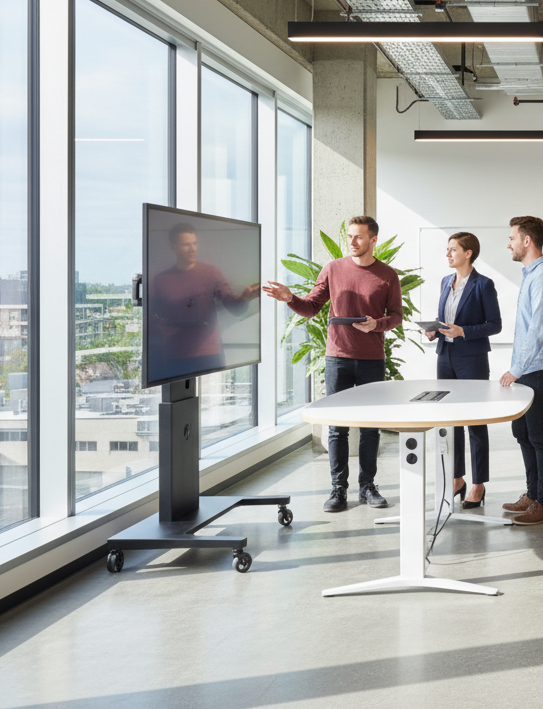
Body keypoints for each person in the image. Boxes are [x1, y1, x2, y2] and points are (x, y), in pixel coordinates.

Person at [263, 215, 401, 513]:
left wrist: (377, 324)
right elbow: (312, 307)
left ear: (373, 240)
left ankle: (368, 487)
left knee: (370, 428)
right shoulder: (333, 269)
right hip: (337, 358)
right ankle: (338, 489)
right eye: (350, 236)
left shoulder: (387, 275)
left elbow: (397, 316)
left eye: (359, 237)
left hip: (372, 360)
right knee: (337, 428)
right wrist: (290, 298)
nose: (352, 241)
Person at [425, 232, 501, 509]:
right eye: (447, 250)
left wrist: (463, 332)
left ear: (468, 253)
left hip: (472, 359)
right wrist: (435, 331)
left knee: (475, 421)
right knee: (450, 420)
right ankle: (457, 478)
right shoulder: (446, 282)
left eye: (453, 249)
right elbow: (443, 319)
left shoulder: (484, 285)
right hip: (444, 356)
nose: (447, 254)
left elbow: (495, 325)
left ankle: (479, 483)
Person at [499, 216, 543, 526]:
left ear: (527, 241)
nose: (508, 243)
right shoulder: (531, 275)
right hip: (529, 368)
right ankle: (534, 494)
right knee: (522, 431)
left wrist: (516, 369)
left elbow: (537, 330)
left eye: (512, 237)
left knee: (539, 435)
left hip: (540, 368)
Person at [149, 222, 259, 383]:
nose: (192, 249)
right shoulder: (160, 280)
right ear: (173, 247)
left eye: (194, 243)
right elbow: (152, 317)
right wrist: (160, 328)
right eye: (186, 244)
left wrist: (245, 298)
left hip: (209, 354)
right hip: (174, 356)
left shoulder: (211, 273)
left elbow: (233, 307)